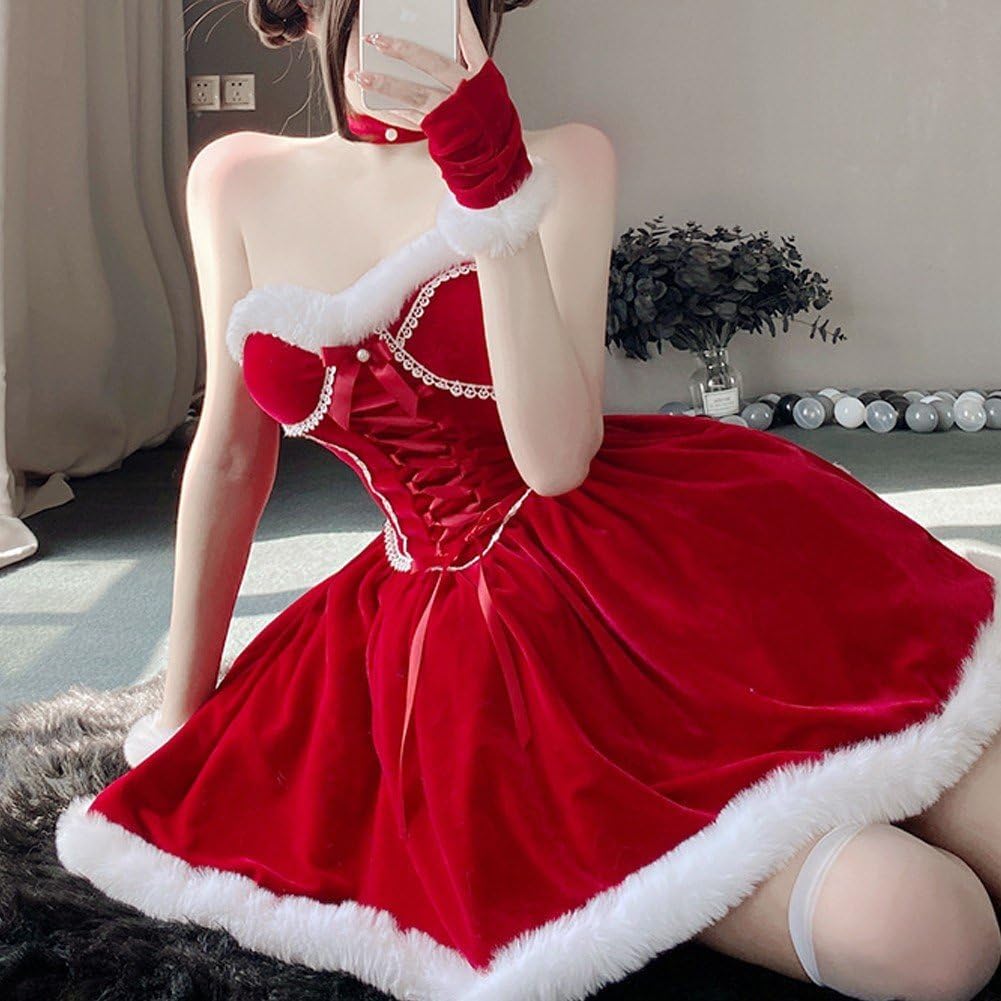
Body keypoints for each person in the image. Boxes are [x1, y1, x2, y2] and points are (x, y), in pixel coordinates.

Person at [54, 2, 1001, 999]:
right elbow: (229, 459)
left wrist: (489, 183)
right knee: (931, 939)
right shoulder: (236, 179)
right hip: (471, 649)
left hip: (658, 563)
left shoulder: (562, 159)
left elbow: (552, 460)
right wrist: (181, 714)